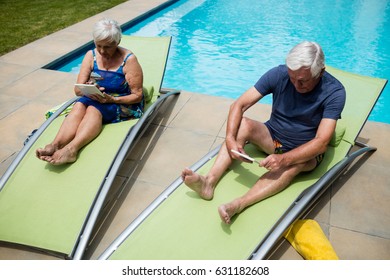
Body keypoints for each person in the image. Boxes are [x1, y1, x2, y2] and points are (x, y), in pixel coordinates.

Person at [181, 41, 346, 224]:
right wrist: (229, 139)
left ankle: (239, 204)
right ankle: (208, 183)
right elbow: (239, 105)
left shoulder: (334, 92)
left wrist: (284, 159)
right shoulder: (279, 74)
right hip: (274, 139)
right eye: (292, 78)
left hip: (304, 151)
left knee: (294, 164)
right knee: (242, 125)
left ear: (320, 72)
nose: (296, 84)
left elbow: (321, 142)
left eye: (303, 80)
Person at [36, 18, 144, 165]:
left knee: (93, 109)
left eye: (107, 47)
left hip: (123, 103)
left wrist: (113, 100)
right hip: (96, 97)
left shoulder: (129, 60)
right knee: (79, 105)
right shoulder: (91, 56)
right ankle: (55, 145)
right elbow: (77, 90)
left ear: (117, 42)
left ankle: (71, 149)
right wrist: (88, 87)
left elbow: (137, 96)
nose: (102, 51)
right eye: (98, 45)